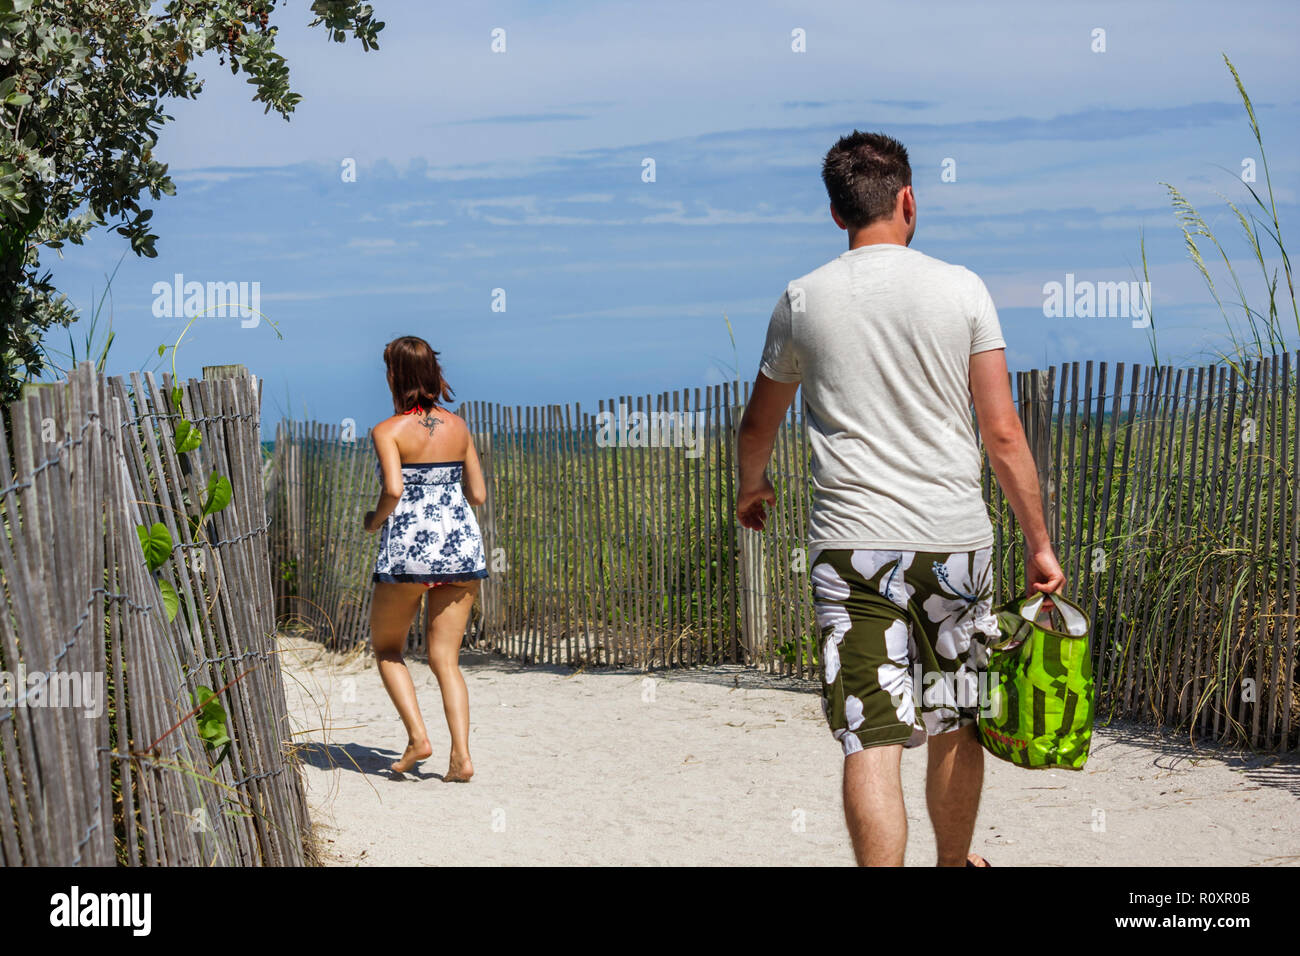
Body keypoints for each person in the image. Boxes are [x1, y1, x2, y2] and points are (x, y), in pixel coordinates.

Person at [735, 131, 1065, 866]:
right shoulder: (963, 288)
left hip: (851, 545)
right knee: (955, 718)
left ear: (835, 213)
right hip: (954, 541)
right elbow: (1003, 433)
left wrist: (753, 485)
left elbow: (759, 422)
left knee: (869, 733)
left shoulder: (802, 299)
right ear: (908, 200)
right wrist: (1039, 542)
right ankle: (953, 865)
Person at [363, 335, 488, 780]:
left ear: (395, 375)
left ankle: (418, 738)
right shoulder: (459, 428)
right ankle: (462, 757)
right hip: (460, 550)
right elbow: (477, 493)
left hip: (408, 556)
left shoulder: (387, 431)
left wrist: (373, 521)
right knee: (445, 660)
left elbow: (393, 490)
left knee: (388, 649)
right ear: (434, 373)